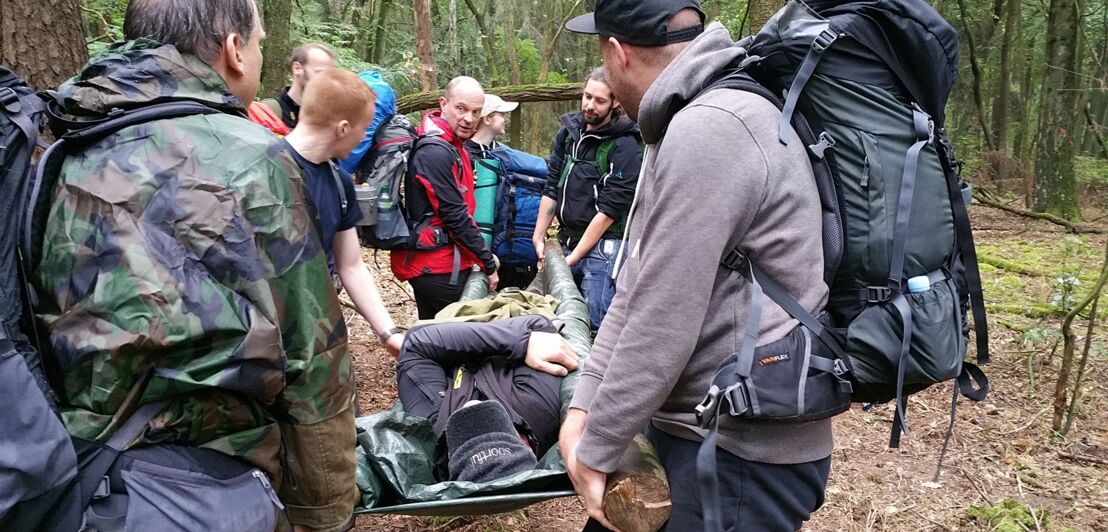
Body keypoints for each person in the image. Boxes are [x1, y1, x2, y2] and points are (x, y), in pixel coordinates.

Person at [34, 0, 356, 529]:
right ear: (233, 50)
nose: (256, 55)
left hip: (77, 475)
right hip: (209, 482)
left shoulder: (58, 145)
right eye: (257, 45)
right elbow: (311, 357)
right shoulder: (251, 158)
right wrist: (324, 511)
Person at [559, 1, 833, 531]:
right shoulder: (689, 120)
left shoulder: (711, 129)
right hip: (700, 427)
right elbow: (636, 287)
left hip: (739, 452)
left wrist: (596, 447)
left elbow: (664, 316)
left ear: (617, 53)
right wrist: (585, 409)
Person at [284, 67, 405, 354]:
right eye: (365, 128)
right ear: (342, 129)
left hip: (317, 328)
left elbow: (350, 264)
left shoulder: (339, 182)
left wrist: (388, 332)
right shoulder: (263, 169)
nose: (367, 136)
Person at [397, 316, 578, 481]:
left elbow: (415, 344)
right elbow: (539, 328)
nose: (472, 406)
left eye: (470, 436)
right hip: (502, 323)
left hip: (464, 336)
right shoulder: (538, 409)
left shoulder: (433, 428)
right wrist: (520, 341)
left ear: (451, 457)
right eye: (493, 428)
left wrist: (513, 342)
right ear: (526, 443)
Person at [532, 68, 643, 334]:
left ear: (616, 102)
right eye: (587, 96)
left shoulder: (626, 146)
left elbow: (609, 211)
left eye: (599, 100)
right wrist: (538, 237)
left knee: (595, 324)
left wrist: (572, 259)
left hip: (606, 248)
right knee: (555, 317)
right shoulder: (569, 135)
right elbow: (552, 186)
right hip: (568, 240)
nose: (590, 106)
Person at [391, 76, 500, 319]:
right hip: (436, 266)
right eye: (461, 108)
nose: (469, 118)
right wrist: (487, 263)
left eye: (476, 112)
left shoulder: (452, 144)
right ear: (443, 104)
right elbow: (455, 215)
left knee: (432, 333)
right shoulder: (435, 152)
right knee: (472, 334)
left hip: (433, 261)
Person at [465, 94, 541, 290]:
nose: (506, 118)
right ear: (488, 118)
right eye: (502, 114)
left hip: (508, 245)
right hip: (477, 251)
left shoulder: (504, 153)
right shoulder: (463, 154)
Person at [262, 43, 338, 128]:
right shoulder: (269, 112)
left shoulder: (328, 117)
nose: (327, 80)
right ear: (297, 69)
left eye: (330, 75)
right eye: (320, 73)